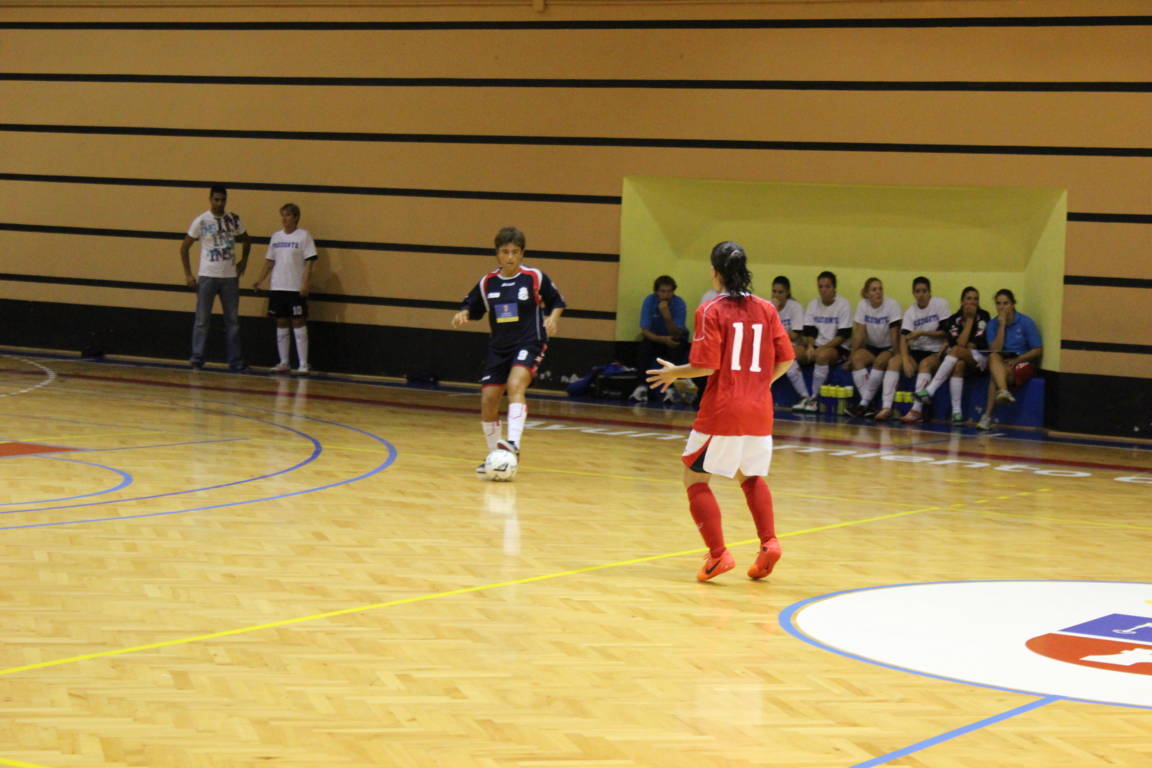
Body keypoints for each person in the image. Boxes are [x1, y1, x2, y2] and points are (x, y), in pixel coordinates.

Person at [646, 241, 794, 582]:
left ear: (715, 272)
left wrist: (673, 373)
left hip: (724, 409)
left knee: (694, 477)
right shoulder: (767, 308)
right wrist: (760, 384)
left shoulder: (711, 310)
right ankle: (769, 543)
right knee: (750, 476)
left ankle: (717, 555)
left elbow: (706, 365)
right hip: (759, 410)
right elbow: (786, 359)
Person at [452, 227, 566, 473]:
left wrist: (553, 318)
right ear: (497, 253)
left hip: (529, 342)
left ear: (522, 253)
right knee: (488, 400)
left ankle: (513, 443)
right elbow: (472, 307)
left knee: (515, 385)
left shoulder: (533, 277)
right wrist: (464, 313)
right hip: (499, 348)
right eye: (505, 252)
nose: (510, 257)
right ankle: (495, 457)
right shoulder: (487, 282)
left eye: (515, 252)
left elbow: (557, 301)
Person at [180, 184, 250, 371]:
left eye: (223, 200)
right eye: (216, 200)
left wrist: (244, 261)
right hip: (207, 276)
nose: (219, 203)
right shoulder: (201, 221)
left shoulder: (233, 219)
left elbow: (247, 239)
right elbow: (184, 247)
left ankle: (235, 361)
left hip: (230, 277)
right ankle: (197, 358)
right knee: (202, 320)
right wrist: (188, 274)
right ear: (210, 200)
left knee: (232, 321)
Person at [251, 203, 318, 374]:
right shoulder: (276, 237)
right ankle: (284, 362)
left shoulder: (304, 236)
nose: (284, 219)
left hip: (295, 287)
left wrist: (305, 283)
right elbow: (269, 261)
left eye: (288, 215)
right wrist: (260, 280)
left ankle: (303, 363)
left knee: (298, 322)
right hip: (278, 286)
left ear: (296, 217)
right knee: (281, 322)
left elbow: (310, 261)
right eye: (283, 215)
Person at [907, 286, 989, 425]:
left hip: (979, 359)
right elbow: (961, 343)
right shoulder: (954, 319)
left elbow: (968, 345)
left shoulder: (984, 316)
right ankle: (957, 413)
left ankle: (930, 390)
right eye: (969, 299)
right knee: (958, 365)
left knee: (956, 350)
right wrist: (966, 330)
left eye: (976, 299)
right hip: (960, 360)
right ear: (962, 301)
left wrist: (970, 320)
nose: (972, 302)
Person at [977, 289, 1043, 430]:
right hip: (1002, 361)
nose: (1002, 307)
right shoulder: (993, 324)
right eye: (998, 304)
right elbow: (996, 349)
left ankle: (987, 416)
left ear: (1013, 304)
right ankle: (1003, 391)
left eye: (1005, 303)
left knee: (995, 376)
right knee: (993, 357)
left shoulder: (1025, 322)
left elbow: (1037, 350)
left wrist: (1019, 359)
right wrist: (1001, 326)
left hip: (1022, 360)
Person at [889, 277, 950, 423]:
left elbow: (946, 333)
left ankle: (916, 410)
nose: (921, 294)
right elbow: (904, 338)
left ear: (930, 292)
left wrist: (923, 333)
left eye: (924, 291)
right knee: (894, 362)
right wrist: (905, 360)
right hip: (916, 351)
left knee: (925, 364)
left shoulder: (940, 305)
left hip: (936, 351)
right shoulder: (910, 312)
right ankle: (886, 407)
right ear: (913, 293)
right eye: (917, 291)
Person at [795, 271, 852, 413]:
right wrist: (810, 346)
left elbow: (843, 335)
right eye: (820, 287)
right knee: (792, 353)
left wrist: (823, 348)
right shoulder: (813, 304)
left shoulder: (843, 305)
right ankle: (804, 396)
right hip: (816, 345)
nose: (823, 290)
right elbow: (809, 330)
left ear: (834, 288)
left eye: (827, 286)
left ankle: (814, 398)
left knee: (822, 355)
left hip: (837, 347)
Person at [846, 277, 903, 419]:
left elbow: (894, 333)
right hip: (871, 347)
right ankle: (870, 405)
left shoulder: (892, 305)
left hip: (888, 347)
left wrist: (897, 354)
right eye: (874, 290)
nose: (878, 292)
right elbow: (859, 333)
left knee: (880, 361)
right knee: (857, 359)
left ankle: (864, 403)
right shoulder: (863, 305)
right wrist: (851, 356)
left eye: (880, 289)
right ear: (867, 293)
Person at [632, 275, 691, 403]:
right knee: (644, 347)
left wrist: (667, 316)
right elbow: (645, 330)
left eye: (669, 292)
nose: (666, 295)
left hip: (674, 337)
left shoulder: (679, 303)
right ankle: (641, 387)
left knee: (677, 347)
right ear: (656, 292)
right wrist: (663, 339)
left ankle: (671, 389)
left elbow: (676, 333)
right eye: (662, 291)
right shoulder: (649, 301)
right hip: (656, 337)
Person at [768, 276, 812, 409]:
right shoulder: (767, 307)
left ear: (787, 292)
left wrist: (775, 316)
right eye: (774, 292)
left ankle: (805, 397)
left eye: (780, 292)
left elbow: (794, 335)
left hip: (793, 345)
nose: (776, 295)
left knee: (788, 358)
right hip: (773, 346)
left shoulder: (795, 307)